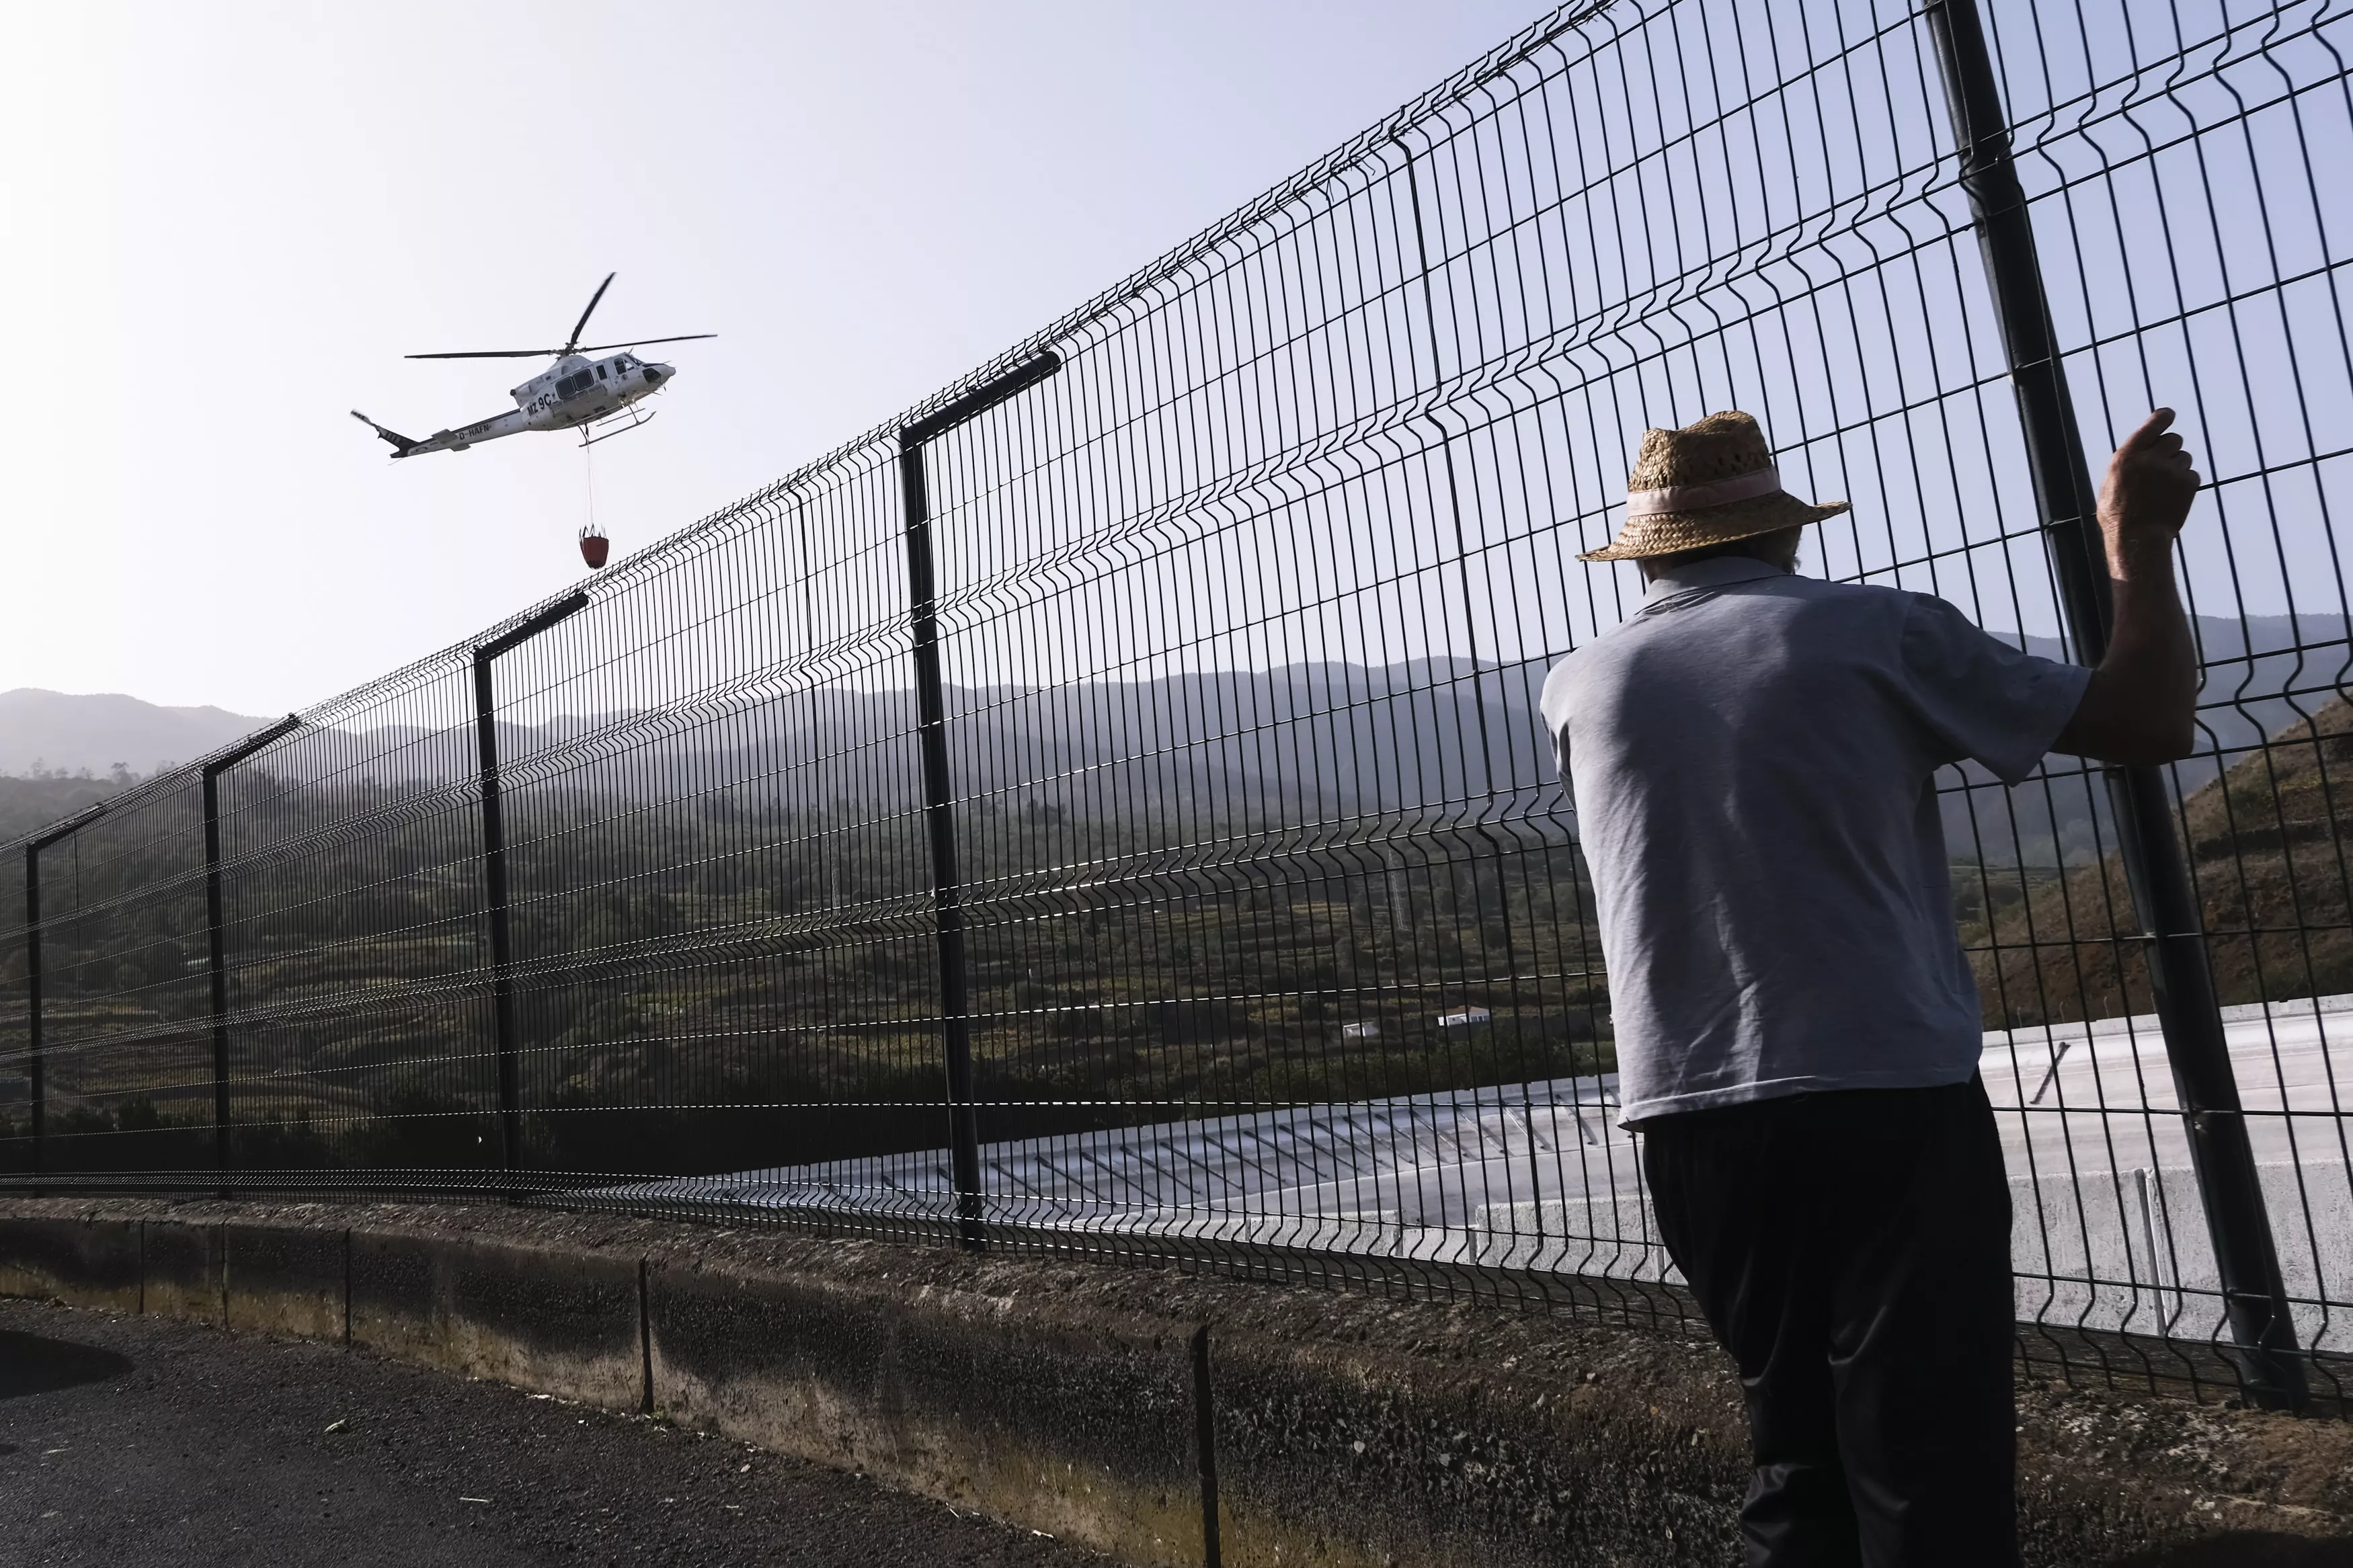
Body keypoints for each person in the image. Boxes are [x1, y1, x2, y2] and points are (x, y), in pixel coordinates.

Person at [1538, 408, 2200, 1568]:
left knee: (1797, 1470)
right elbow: (2147, 720)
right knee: (1928, 1477)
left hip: (1688, 1116)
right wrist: (2136, 538)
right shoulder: (1873, 630)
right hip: (1881, 1090)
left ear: (1644, 551)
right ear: (1783, 535)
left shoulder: (1583, 684)